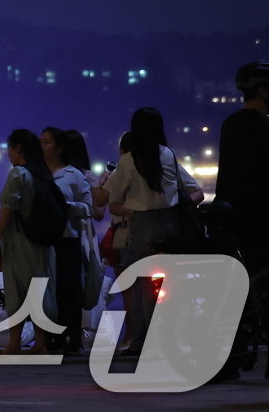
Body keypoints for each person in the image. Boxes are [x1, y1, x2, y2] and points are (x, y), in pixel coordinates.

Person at [102, 107, 202, 356]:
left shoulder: (128, 160)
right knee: (170, 283)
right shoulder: (168, 154)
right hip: (171, 226)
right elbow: (189, 190)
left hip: (142, 225)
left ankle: (141, 340)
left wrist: (125, 209)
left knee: (140, 284)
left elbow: (112, 198)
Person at [0, 128, 58, 354]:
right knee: (39, 289)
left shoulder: (18, 174)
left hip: (19, 240)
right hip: (41, 241)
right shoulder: (42, 173)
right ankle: (40, 343)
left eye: (9, 148)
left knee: (16, 290)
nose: (8, 153)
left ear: (17, 148)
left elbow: (8, 211)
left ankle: (13, 343)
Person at [40, 127, 92, 355]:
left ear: (60, 147)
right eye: (41, 142)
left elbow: (88, 208)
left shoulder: (73, 175)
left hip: (67, 239)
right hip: (41, 240)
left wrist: (66, 206)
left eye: (48, 142)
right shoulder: (36, 172)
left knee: (68, 289)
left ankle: (71, 336)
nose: (43, 146)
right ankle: (48, 337)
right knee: (45, 290)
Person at [217, 62, 269, 274]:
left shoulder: (230, 124)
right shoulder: (263, 127)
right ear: (263, 92)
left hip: (232, 219)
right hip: (259, 222)